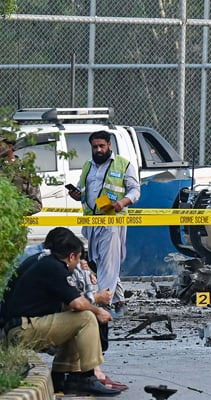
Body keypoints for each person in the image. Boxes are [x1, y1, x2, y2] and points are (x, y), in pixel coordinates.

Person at [2, 232, 119, 396]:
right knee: (86, 317)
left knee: (74, 316)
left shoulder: (41, 261)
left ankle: (61, 376)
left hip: (17, 328)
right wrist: (98, 310)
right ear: (71, 256)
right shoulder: (54, 267)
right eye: (78, 259)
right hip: (21, 330)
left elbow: (67, 305)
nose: (77, 264)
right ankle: (87, 377)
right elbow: (78, 303)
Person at [67, 131, 140, 315]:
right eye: (95, 147)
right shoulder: (87, 166)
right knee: (99, 261)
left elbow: (135, 191)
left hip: (112, 221)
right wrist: (76, 195)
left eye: (102, 146)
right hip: (92, 221)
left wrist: (122, 203)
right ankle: (119, 300)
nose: (98, 150)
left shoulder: (124, 164)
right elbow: (84, 191)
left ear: (109, 145)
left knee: (108, 261)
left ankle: (103, 303)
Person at [0, 136, 42, 214]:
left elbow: (37, 205)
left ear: (10, 147)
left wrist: (13, 209)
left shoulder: (25, 169)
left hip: (14, 221)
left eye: (0, 145)